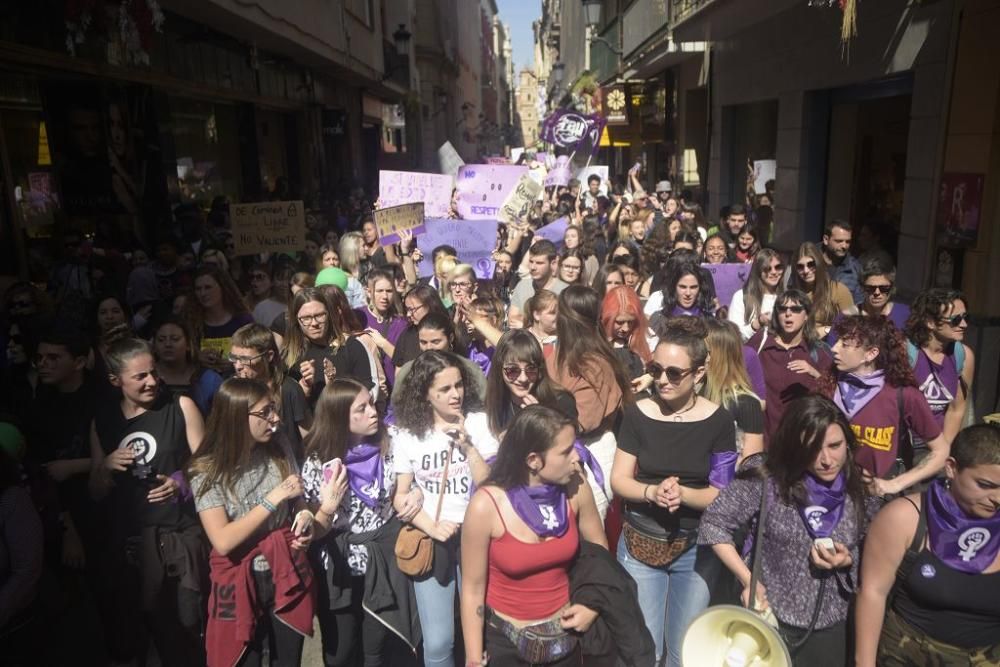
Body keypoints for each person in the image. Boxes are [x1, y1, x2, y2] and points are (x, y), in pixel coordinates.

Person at [699, 395, 875, 664]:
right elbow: (714, 523)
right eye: (813, 449)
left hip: (830, 628)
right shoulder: (766, 479)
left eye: (835, 446)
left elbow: (871, 547)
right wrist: (748, 579)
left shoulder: (860, 488)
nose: (827, 459)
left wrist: (847, 560)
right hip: (769, 622)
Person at [611, 316, 736, 667]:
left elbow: (721, 492)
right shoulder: (637, 414)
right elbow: (619, 479)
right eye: (657, 369)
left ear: (698, 374)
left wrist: (682, 494)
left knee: (685, 650)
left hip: (696, 548)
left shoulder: (720, 421)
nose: (662, 380)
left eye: (674, 373)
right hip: (641, 542)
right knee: (644, 649)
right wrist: (652, 492)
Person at [88, 338, 207, 666]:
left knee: (188, 629)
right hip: (131, 546)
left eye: (153, 373)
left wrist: (181, 482)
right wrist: (105, 467)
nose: (152, 381)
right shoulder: (103, 421)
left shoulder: (181, 406)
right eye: (139, 377)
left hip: (180, 537)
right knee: (146, 635)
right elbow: (96, 491)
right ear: (116, 381)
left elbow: (209, 465)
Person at [460, 406, 608, 667]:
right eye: (565, 452)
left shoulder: (576, 487)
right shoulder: (486, 506)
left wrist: (592, 605)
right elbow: (472, 589)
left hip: (566, 640)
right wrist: (473, 657)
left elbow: (600, 553)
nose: (576, 457)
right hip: (505, 644)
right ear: (533, 461)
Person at [188, 378, 318, 667]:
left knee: (288, 661)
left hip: (285, 569)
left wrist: (304, 515)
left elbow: (297, 497)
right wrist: (274, 498)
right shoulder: (206, 469)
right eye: (265, 412)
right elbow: (222, 540)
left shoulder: (279, 442)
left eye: (274, 408)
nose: (275, 418)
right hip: (238, 579)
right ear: (236, 416)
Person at [855, 424, 1000, 666]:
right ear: (951, 468)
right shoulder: (905, 518)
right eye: (985, 485)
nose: (997, 498)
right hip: (909, 655)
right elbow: (872, 593)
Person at [300, 379, 421, 665]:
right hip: (340, 566)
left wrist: (416, 491)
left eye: (372, 403)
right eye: (361, 409)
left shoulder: (391, 443)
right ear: (339, 417)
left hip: (385, 559)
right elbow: (316, 530)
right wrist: (327, 507)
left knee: (379, 647)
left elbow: (414, 478)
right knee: (341, 651)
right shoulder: (319, 461)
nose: (373, 412)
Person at [390, 351, 500, 667]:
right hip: (434, 541)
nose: (456, 395)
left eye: (459, 385)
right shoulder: (409, 435)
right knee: (438, 642)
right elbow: (400, 496)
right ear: (425, 394)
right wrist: (430, 525)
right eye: (445, 390)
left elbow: (493, 486)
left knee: (481, 632)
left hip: (478, 539)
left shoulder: (480, 424)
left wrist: (468, 447)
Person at [822, 315, 948, 497]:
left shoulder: (903, 395)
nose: (834, 349)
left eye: (845, 344)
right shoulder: (828, 387)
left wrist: (895, 484)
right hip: (829, 496)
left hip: (876, 502)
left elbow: (941, 451)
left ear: (871, 353)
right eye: (838, 342)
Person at [547, 286, 632, 520]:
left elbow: (585, 422)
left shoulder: (593, 364)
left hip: (588, 451)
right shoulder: (558, 355)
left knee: (588, 532)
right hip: (557, 450)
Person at [748, 290, 835, 441]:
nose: (788, 314)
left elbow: (835, 396)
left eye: (795, 309)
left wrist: (814, 373)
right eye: (782, 309)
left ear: (806, 315)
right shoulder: (760, 343)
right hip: (765, 442)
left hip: (803, 444)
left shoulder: (818, 352)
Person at [904, 288, 976, 462]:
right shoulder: (906, 353)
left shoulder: (963, 356)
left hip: (937, 444)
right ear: (930, 322)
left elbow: (957, 408)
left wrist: (943, 451)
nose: (964, 324)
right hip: (904, 444)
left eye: (966, 317)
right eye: (956, 319)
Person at [280, 288, 376, 407]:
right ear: (296, 320)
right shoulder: (289, 356)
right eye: (306, 318)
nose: (314, 323)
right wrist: (305, 387)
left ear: (329, 314)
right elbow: (286, 407)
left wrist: (335, 385)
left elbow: (367, 393)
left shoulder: (351, 347)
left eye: (320, 315)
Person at [231, 323, 312, 461]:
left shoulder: (288, 389)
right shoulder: (233, 392)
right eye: (234, 358)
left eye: (245, 360)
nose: (238, 366)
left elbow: (310, 439)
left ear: (269, 356)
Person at [391, 313, 487, 407]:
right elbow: (396, 408)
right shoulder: (408, 371)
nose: (429, 348)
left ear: (450, 338)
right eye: (423, 342)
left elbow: (483, 405)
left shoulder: (470, 369)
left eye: (435, 342)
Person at [702, 319, 765, 463]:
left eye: (702, 350)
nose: (695, 355)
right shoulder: (696, 393)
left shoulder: (746, 404)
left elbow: (750, 468)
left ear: (717, 356)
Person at [183, 265, 253, 371]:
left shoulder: (243, 321)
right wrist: (196, 357)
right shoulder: (190, 322)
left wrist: (235, 362)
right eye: (198, 289)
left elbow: (255, 354)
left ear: (222, 287)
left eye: (208, 287)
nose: (203, 293)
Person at [153, 316, 224, 415]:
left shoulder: (209, 380)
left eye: (175, 339)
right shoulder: (145, 377)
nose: (167, 344)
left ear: (188, 344)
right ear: (154, 346)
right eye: (161, 340)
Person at [788, 242, 855, 336]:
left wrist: (827, 329)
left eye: (811, 264)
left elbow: (853, 325)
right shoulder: (793, 294)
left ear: (819, 263)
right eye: (800, 266)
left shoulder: (839, 290)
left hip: (828, 344)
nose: (806, 271)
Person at [360, 268, 408, 387]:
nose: (385, 296)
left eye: (389, 291)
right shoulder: (358, 317)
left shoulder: (401, 323)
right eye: (380, 291)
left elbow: (406, 361)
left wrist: (383, 343)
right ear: (368, 292)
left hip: (394, 390)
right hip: (368, 390)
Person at [508, 240, 567, 329]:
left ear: (553, 263)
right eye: (531, 261)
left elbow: (564, 326)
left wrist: (525, 325)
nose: (533, 267)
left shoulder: (564, 291)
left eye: (539, 263)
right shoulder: (522, 286)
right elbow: (512, 321)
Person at [728, 248, 784, 342]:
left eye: (778, 267)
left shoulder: (785, 298)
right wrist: (758, 323)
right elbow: (734, 336)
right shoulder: (741, 296)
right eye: (767, 269)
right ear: (758, 271)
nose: (774, 272)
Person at [600, 286, 652, 380]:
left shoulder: (649, 339)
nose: (626, 328)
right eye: (620, 322)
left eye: (630, 322)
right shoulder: (596, 340)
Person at [393, 284, 449, 368]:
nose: (408, 314)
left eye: (412, 309)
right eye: (407, 310)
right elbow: (399, 370)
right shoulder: (407, 334)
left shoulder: (447, 329)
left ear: (429, 305)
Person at [857, 253, 910, 330]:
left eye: (884, 288)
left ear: (892, 287)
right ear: (862, 288)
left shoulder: (906, 315)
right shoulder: (847, 318)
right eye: (870, 288)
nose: (877, 293)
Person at [822, 220, 863, 304]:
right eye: (839, 241)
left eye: (848, 242)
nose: (844, 246)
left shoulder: (855, 268)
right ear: (826, 239)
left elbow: (859, 302)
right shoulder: (808, 262)